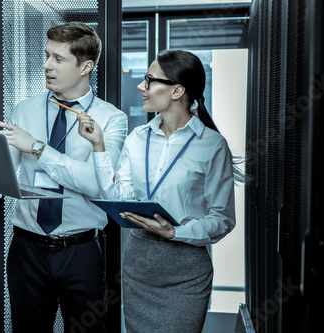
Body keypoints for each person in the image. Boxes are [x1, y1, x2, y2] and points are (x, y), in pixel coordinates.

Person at [0, 22, 127, 332]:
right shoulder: (24, 111)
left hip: (80, 252)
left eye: (58, 59)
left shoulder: (111, 119)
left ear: (85, 66)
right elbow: (5, 173)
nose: (47, 65)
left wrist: (37, 148)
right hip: (26, 251)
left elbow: (95, 184)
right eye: (46, 55)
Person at [78, 49, 239, 333]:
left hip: (186, 272)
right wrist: (98, 147)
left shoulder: (212, 145)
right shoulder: (137, 138)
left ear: (177, 90)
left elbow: (222, 219)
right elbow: (119, 195)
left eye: (150, 80)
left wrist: (175, 232)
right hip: (140, 265)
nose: (142, 87)